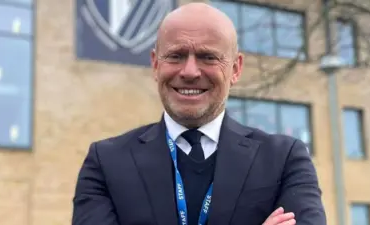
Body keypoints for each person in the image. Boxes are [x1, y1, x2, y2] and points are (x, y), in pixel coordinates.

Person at [71, 2, 327, 225]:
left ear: (236, 68)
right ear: (155, 64)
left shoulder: (284, 160)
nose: (190, 71)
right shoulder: (106, 163)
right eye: (176, 55)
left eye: (207, 57)